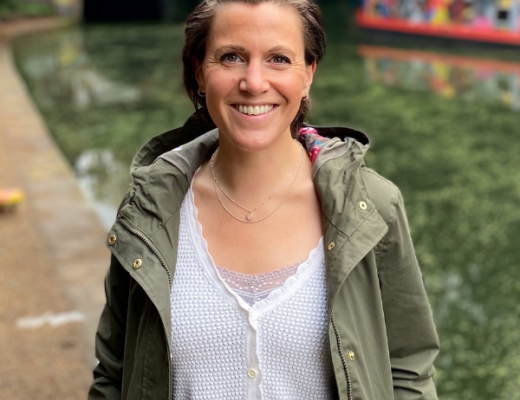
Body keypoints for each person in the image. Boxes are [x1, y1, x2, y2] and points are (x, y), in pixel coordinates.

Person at [88, 1, 440, 399]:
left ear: (308, 74)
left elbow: (409, 370)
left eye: (278, 58)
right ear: (199, 70)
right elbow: (113, 377)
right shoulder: (148, 210)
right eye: (231, 57)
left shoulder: (372, 206)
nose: (254, 82)